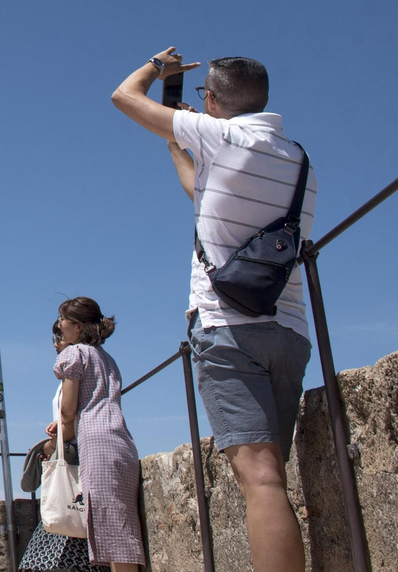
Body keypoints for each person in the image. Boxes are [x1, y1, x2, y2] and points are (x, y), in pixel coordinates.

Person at [113, 49, 313, 572]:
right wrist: (178, 121)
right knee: (273, 476)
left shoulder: (220, 135)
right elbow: (199, 189)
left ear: (214, 100)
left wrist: (159, 67)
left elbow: (123, 98)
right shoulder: (295, 158)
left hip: (229, 331)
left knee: (260, 480)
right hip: (289, 331)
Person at [48, 298, 145, 572]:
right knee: (121, 522)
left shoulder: (74, 353)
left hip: (96, 439)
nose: (60, 325)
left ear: (77, 327)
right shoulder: (107, 358)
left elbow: (67, 411)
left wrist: (57, 434)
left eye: (63, 320)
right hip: (121, 440)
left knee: (112, 529)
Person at [20, 322, 108, 572]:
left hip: (76, 463)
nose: (55, 343)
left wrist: (52, 444)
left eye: (58, 336)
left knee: (51, 557)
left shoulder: (78, 362)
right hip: (75, 458)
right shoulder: (90, 367)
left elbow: (72, 414)